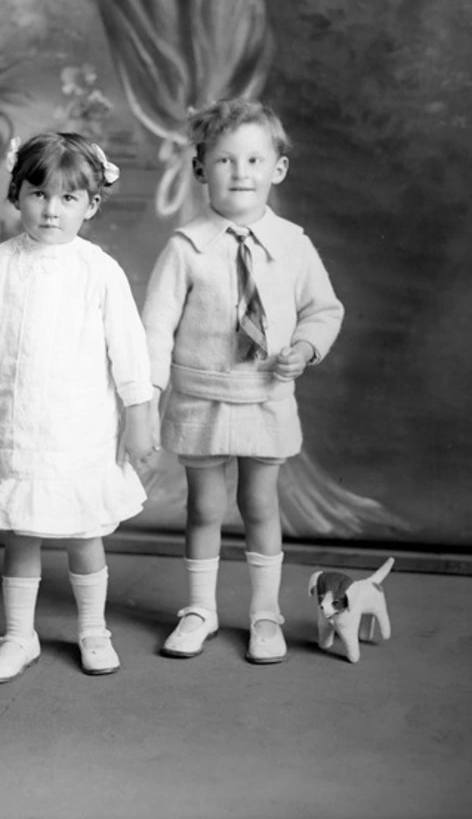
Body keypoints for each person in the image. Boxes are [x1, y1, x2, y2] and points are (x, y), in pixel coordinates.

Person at [0, 131, 156, 683]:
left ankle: (94, 630)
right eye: (38, 194)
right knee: (23, 533)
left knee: (85, 533)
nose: (50, 209)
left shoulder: (99, 270)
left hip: (81, 429)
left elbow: (130, 352)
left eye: (68, 198)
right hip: (18, 430)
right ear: (16, 194)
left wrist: (140, 420)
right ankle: (19, 636)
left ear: (91, 205)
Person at [142, 99, 344, 664]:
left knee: (260, 505)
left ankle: (264, 615)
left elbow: (323, 310)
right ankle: (200, 610)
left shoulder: (293, 245)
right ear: (201, 169)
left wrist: (304, 348)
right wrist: (148, 396)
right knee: (205, 508)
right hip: (201, 399)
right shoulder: (186, 248)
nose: (241, 172)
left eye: (255, 159)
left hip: (265, 399)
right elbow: (155, 327)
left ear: (277, 169)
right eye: (225, 160)